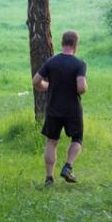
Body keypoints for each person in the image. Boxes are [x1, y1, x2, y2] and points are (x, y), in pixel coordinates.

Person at [33, 30, 88, 186]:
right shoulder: (79, 64)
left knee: (52, 141)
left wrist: (46, 86)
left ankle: (49, 178)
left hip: (53, 108)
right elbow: (81, 88)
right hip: (72, 109)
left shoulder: (51, 62)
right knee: (77, 139)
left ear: (62, 43)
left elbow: (36, 81)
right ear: (75, 45)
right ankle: (67, 166)